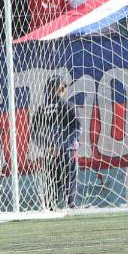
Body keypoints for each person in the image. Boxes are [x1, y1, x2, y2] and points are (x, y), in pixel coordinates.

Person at [30, 77, 79, 210]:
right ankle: (71, 205)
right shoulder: (68, 106)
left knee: (51, 180)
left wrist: (47, 146)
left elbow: (33, 132)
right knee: (69, 179)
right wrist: (66, 144)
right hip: (66, 152)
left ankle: (50, 206)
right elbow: (76, 128)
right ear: (62, 89)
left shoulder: (41, 109)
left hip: (50, 153)